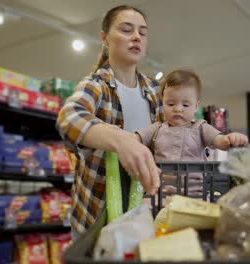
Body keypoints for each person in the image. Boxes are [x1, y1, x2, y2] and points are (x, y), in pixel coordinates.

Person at [56, 5, 163, 240]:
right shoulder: (97, 84)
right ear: (104, 38)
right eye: (126, 30)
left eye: (142, 33)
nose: (136, 36)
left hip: (143, 213)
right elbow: (69, 117)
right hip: (95, 216)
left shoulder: (154, 90)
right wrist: (120, 140)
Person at [135, 69, 248, 194]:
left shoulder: (200, 128)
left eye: (185, 105)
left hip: (195, 194)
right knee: (145, 206)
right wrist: (120, 135)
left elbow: (220, 141)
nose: (177, 109)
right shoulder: (156, 128)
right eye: (171, 104)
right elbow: (135, 139)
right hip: (161, 194)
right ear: (163, 104)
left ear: (196, 106)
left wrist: (230, 139)